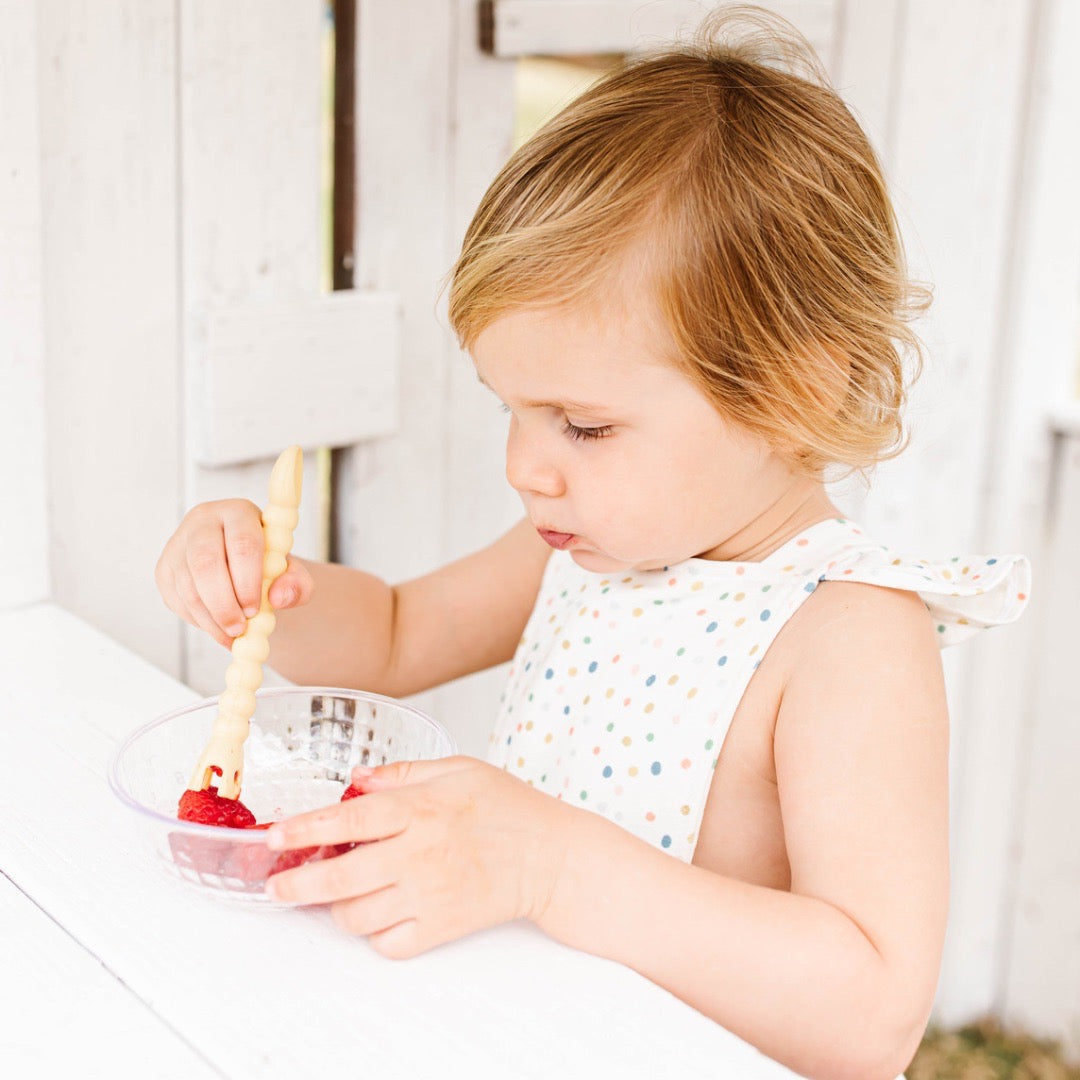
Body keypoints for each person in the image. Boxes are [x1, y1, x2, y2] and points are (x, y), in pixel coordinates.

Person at [155, 8, 1029, 1079]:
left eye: (585, 425)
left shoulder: (847, 636)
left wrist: (553, 868)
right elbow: (387, 638)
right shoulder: (584, 547)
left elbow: (872, 1009)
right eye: (510, 410)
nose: (528, 465)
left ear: (797, 386)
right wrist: (267, 584)